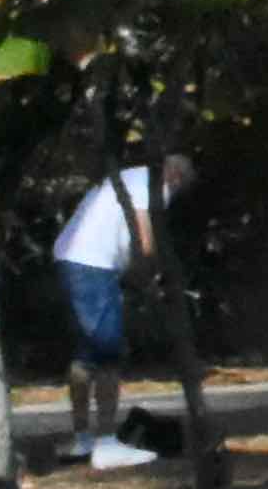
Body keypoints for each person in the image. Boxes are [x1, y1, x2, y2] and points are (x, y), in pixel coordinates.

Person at [54, 152, 188, 470]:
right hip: (92, 265)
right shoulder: (154, 186)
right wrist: (153, 276)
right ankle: (105, 444)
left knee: (87, 354)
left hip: (71, 258)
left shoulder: (130, 175)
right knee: (108, 353)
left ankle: (82, 438)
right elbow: (144, 242)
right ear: (177, 177)